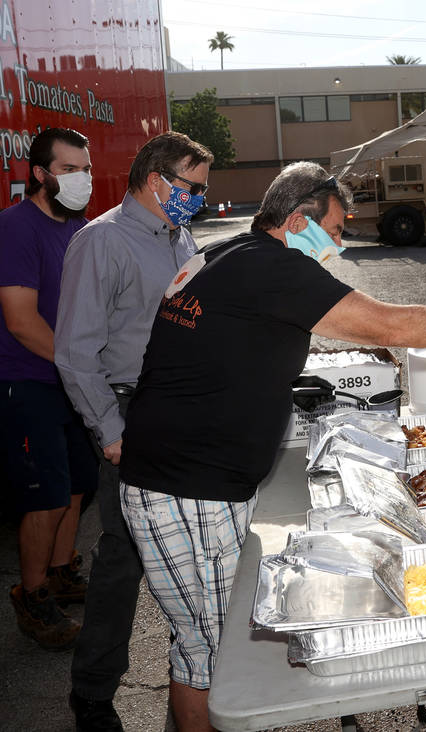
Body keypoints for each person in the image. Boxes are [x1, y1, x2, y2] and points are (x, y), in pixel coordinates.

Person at [115, 161, 426, 732]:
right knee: (209, 654)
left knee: (210, 642)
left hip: (189, 476)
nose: (338, 242)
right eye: (333, 228)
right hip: (185, 487)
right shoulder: (274, 267)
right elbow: (389, 325)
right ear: (297, 218)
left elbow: (223, 342)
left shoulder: (226, 252)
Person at [55, 130, 212, 731]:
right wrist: (110, 430)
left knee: (193, 558)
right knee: (124, 561)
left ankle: (194, 691)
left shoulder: (181, 238)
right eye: (191, 187)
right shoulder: (102, 243)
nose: (198, 198)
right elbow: (74, 352)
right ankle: (92, 694)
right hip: (131, 417)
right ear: (157, 181)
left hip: (181, 414)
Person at [0, 128, 96, 651]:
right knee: (46, 495)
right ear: (40, 174)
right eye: (68, 170)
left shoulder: (78, 226)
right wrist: (79, 363)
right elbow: (20, 321)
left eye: (85, 167)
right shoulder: (16, 228)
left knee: (79, 483)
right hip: (28, 380)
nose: (81, 179)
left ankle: (60, 572)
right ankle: (31, 594)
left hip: (69, 378)